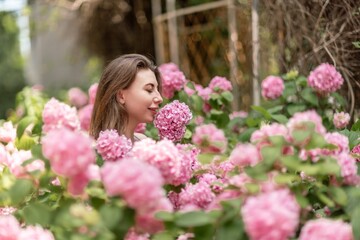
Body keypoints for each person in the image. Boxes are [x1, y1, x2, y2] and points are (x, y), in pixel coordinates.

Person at [89, 54, 163, 143]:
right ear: (121, 96)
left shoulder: (144, 142)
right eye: (149, 90)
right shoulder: (96, 152)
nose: (160, 98)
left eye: (157, 89)